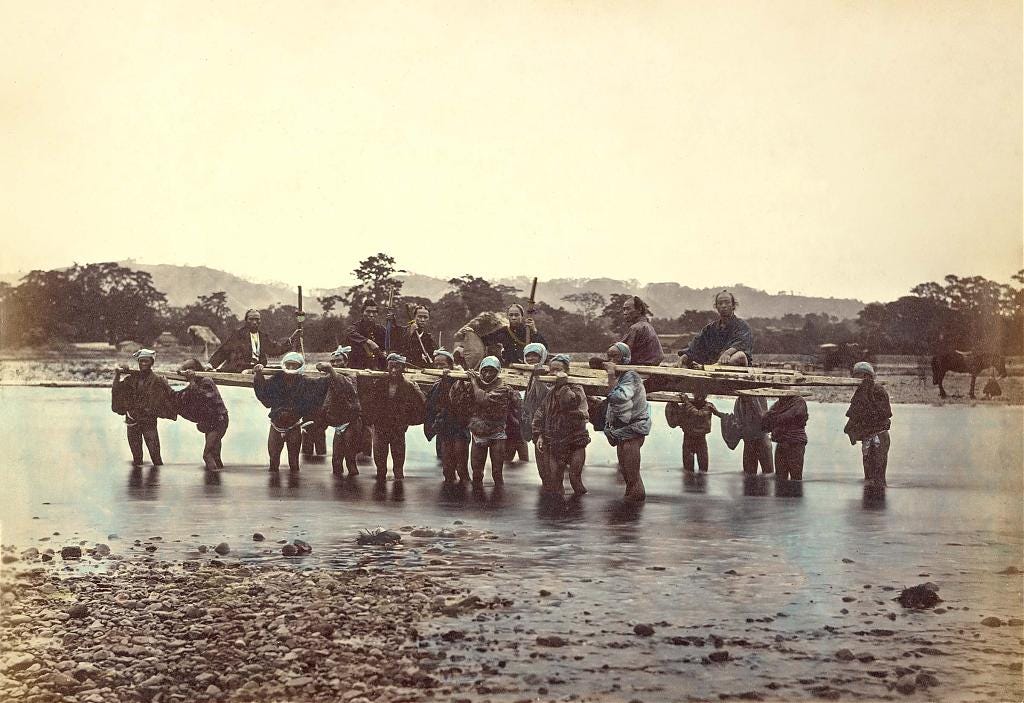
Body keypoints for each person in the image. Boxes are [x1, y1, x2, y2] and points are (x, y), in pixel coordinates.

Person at [253, 352, 331, 472]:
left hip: (293, 426)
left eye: (294, 365)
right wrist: (258, 375)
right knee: (273, 462)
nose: (290, 368)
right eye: (288, 365)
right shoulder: (277, 379)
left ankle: (294, 488)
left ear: (299, 366)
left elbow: (320, 385)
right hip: (276, 425)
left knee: (294, 463)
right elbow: (264, 394)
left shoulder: (305, 381)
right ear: (284, 365)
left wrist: (331, 372)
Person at [456, 355, 521, 486]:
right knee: (477, 472)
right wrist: (460, 381)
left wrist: (473, 382)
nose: (487, 374)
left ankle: (498, 501)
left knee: (497, 472)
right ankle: (478, 500)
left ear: (498, 372)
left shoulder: (504, 388)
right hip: (478, 431)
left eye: (492, 371)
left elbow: (483, 399)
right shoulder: (473, 385)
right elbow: (458, 399)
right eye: (484, 370)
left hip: (497, 432)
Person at [532, 353, 591, 495]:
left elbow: (569, 403)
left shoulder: (577, 389)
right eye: (552, 370)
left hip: (575, 440)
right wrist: (539, 434)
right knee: (556, 480)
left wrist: (563, 385)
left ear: (567, 371)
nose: (554, 373)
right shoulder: (550, 392)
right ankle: (558, 513)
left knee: (575, 478)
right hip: (555, 441)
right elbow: (540, 414)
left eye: (558, 369)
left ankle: (576, 513)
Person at [363, 353, 426, 482]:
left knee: (398, 460)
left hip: (398, 426)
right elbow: (369, 402)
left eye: (397, 367)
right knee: (380, 458)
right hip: (381, 425)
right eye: (391, 366)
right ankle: (381, 478)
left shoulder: (408, 386)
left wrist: (408, 420)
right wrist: (372, 419)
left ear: (402, 368)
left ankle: (398, 481)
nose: (393, 370)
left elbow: (420, 405)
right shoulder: (379, 383)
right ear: (387, 366)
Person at [112, 349, 177, 466]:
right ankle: (137, 483)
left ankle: (155, 481)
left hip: (149, 421)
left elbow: (171, 395)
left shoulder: (157, 380)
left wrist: (166, 384)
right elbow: (117, 390)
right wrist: (117, 375)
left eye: (146, 361)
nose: (143, 364)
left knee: (156, 456)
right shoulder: (131, 379)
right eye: (141, 361)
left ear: (151, 363)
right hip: (132, 421)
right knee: (137, 458)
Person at [603, 342, 651, 502]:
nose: (611, 359)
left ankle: (632, 513)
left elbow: (618, 397)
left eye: (615, 356)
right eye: (608, 356)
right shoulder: (620, 376)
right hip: (622, 430)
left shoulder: (630, 376)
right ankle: (629, 515)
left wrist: (610, 375)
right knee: (626, 472)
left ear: (625, 358)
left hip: (633, 429)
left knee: (632, 475)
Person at [424, 349, 471, 485]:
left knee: (462, 467)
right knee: (447, 469)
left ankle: (467, 492)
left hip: (460, 426)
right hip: (444, 426)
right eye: (436, 365)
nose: (439, 368)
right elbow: (431, 406)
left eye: (442, 365)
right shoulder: (436, 385)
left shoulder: (462, 381)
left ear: (451, 366)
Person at [174, 358, 229, 471]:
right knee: (215, 455)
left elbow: (201, 397)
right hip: (209, 422)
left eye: (188, 369)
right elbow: (180, 395)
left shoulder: (206, 381)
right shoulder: (196, 383)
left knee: (207, 454)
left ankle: (212, 483)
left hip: (219, 421)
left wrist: (192, 380)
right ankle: (216, 483)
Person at [844, 362, 892, 486]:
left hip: (879, 436)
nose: (854, 379)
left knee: (879, 475)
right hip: (867, 437)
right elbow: (854, 412)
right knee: (869, 475)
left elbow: (884, 413)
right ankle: (869, 501)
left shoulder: (878, 390)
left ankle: (877, 498)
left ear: (866, 376)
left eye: (857, 376)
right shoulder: (861, 392)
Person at [678, 291, 753, 368]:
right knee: (686, 359)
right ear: (716, 307)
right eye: (720, 303)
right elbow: (697, 344)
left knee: (740, 355)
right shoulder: (710, 328)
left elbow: (742, 343)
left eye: (727, 303)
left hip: (735, 364)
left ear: (733, 305)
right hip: (715, 362)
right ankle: (710, 367)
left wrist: (727, 353)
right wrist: (686, 355)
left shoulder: (742, 325)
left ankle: (709, 367)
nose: (724, 306)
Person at [209, 309, 299, 373]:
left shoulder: (263, 337)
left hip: (259, 368)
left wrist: (293, 339)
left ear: (260, 321)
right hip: (240, 368)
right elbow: (223, 351)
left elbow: (275, 350)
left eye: (257, 319)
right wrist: (211, 365)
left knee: (281, 371)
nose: (254, 322)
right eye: (251, 319)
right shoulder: (237, 335)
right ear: (246, 321)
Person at [320, 346, 363, 477]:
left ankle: (352, 492)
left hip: (351, 422)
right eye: (333, 361)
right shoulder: (330, 377)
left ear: (346, 362)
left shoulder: (351, 374)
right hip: (338, 423)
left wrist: (331, 371)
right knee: (336, 461)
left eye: (338, 361)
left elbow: (346, 387)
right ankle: (339, 491)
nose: (335, 364)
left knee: (350, 460)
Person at [712, 396, 775, 475]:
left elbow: (763, 417)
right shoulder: (739, 401)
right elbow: (737, 422)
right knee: (749, 476)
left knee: (768, 475)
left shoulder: (758, 397)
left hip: (761, 440)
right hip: (749, 441)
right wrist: (719, 414)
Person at [511, 342, 551, 464]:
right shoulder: (524, 374)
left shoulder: (549, 373)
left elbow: (547, 395)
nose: (531, 358)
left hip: (547, 418)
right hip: (532, 418)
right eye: (528, 355)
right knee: (539, 454)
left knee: (549, 456)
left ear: (542, 357)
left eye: (535, 355)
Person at [480, 303, 548, 367]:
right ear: (508, 316)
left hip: (526, 367)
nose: (513, 318)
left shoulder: (528, 331)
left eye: (516, 315)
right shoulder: (503, 331)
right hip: (508, 367)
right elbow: (484, 340)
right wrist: (471, 332)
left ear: (522, 316)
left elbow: (544, 347)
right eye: (511, 315)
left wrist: (534, 330)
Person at [761, 394, 809, 481]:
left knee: (795, 478)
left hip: (795, 443)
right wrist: (772, 417)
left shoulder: (798, 401)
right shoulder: (778, 404)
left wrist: (773, 417)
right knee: (780, 477)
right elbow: (765, 421)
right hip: (782, 442)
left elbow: (788, 416)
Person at [665, 391, 714, 473]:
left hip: (693, 440)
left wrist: (683, 402)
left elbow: (698, 415)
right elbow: (673, 422)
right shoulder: (686, 406)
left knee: (697, 471)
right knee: (695, 471)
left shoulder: (707, 406)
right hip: (693, 439)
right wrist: (673, 403)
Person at [620, 296, 664, 366]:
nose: (625, 313)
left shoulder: (636, 328)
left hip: (639, 369)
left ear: (639, 310)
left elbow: (621, 351)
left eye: (628, 309)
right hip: (651, 367)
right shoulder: (649, 326)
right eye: (624, 309)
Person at [346, 301, 388, 370]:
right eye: (368, 311)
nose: (371, 314)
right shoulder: (356, 327)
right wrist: (369, 342)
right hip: (358, 367)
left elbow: (391, 340)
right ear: (363, 312)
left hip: (378, 368)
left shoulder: (381, 329)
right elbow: (349, 333)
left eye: (374, 312)